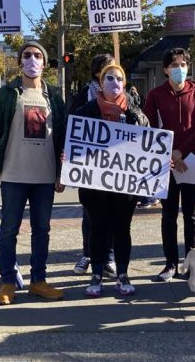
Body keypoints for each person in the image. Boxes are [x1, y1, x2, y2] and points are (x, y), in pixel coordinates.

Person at [0, 40, 66, 305]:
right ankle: (7, 282)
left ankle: (38, 281)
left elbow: (63, 136)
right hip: (14, 174)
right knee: (9, 230)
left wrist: (62, 172)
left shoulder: (53, 95)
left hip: (44, 175)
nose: (32, 59)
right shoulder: (8, 93)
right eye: (27, 55)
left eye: (37, 55)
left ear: (44, 62)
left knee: (42, 229)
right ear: (20, 62)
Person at [75, 64, 148, 297]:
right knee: (97, 229)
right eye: (109, 78)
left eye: (119, 78)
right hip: (95, 185)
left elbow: (148, 144)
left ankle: (123, 274)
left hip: (125, 186)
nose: (114, 82)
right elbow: (75, 142)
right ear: (100, 81)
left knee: (122, 230)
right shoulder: (86, 112)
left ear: (124, 83)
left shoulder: (135, 114)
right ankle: (96, 274)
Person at [144, 48, 195, 281]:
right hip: (165, 163)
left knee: (191, 216)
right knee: (168, 215)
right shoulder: (155, 95)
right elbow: (150, 126)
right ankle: (170, 264)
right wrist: (170, 155)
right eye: (174, 65)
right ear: (165, 69)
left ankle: (193, 264)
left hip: (193, 161)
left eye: (183, 64)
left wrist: (182, 152)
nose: (179, 69)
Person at [68, 54, 117, 277]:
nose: (112, 72)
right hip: (90, 166)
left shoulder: (124, 96)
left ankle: (109, 257)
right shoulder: (83, 97)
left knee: (113, 216)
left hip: (117, 166)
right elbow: (73, 126)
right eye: (107, 68)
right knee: (90, 214)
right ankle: (87, 254)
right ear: (98, 72)